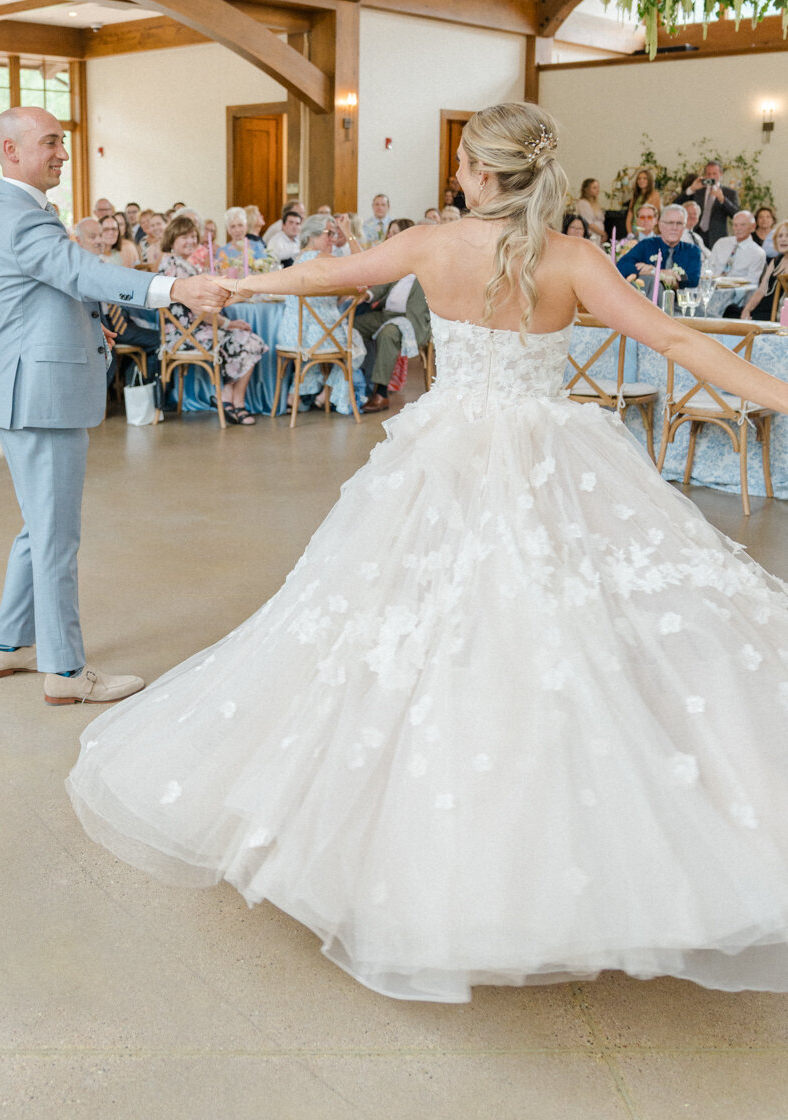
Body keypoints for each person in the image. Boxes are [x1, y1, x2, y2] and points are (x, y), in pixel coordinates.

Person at [67, 100, 788, 1004]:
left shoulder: (435, 242)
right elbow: (679, 339)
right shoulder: (571, 259)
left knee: (404, 623)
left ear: (480, 174)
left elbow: (330, 273)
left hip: (445, 452)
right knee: (579, 625)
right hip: (549, 455)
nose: (454, 173)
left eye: (460, 161)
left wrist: (235, 287)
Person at [0, 110, 227, 704]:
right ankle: (65, 673)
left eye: (63, 141)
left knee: (39, 529)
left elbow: (49, 294)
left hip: (30, 384)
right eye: (50, 143)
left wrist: (85, 331)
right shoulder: (22, 218)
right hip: (41, 397)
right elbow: (82, 272)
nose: (63, 152)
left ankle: (8, 645)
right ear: (11, 150)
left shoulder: (21, 211)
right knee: (56, 536)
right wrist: (176, 289)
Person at [159, 215, 268, 426]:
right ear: (172, 239)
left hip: (194, 328)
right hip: (185, 335)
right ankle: (236, 401)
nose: (190, 241)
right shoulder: (176, 266)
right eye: (184, 237)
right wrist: (229, 324)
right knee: (251, 341)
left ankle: (229, 399)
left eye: (193, 236)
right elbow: (199, 307)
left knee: (246, 338)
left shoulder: (179, 263)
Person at [276, 215, 365, 415]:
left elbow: (324, 300)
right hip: (314, 336)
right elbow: (362, 264)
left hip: (292, 334)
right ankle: (326, 393)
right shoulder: (319, 258)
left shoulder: (299, 259)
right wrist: (348, 232)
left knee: (338, 339)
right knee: (356, 345)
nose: (333, 238)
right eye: (329, 234)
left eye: (335, 234)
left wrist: (343, 295)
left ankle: (296, 395)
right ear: (312, 236)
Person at [352, 258, 432, 411]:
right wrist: (367, 295)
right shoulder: (401, 266)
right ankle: (358, 382)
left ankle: (381, 393)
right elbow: (384, 284)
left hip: (410, 321)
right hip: (387, 315)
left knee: (388, 334)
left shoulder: (428, 268)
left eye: (394, 233)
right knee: (353, 326)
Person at [615, 204, 700, 294]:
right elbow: (621, 267)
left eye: (679, 223)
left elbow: (692, 281)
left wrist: (662, 275)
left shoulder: (692, 250)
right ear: (660, 224)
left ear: (684, 226)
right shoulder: (646, 244)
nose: (674, 228)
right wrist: (654, 272)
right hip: (648, 302)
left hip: (679, 304)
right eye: (670, 223)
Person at [735, 220, 788, 322]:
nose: (783, 240)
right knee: (731, 311)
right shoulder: (776, 261)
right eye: (780, 236)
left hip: (778, 314)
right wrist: (746, 310)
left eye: (787, 236)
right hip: (763, 308)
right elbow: (761, 290)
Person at [675, 160, 739, 244]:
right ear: (705, 175)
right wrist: (691, 189)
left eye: (714, 174)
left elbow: (736, 215)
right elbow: (676, 205)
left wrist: (723, 199)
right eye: (708, 174)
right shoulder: (698, 190)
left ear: (721, 174)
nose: (711, 176)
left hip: (717, 237)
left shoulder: (729, 193)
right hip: (696, 233)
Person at [708, 210, 767, 287]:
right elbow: (709, 268)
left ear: (753, 227)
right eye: (735, 225)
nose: (738, 228)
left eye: (743, 225)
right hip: (711, 288)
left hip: (737, 293)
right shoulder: (721, 243)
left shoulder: (758, 252)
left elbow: (752, 282)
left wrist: (725, 282)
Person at [624, 168, 661, 234]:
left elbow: (655, 217)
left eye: (645, 178)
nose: (641, 180)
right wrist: (630, 234)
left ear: (649, 180)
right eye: (639, 178)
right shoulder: (635, 197)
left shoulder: (655, 195)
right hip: (635, 232)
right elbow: (629, 219)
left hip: (648, 232)